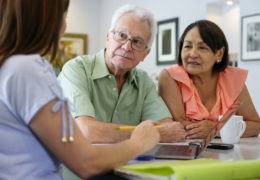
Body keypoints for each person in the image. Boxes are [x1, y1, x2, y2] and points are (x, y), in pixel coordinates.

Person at [0, 1, 160, 179]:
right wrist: (138, 142)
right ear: (47, 20)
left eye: (137, 41)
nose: (65, 24)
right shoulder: (26, 70)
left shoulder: (16, 66)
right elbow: (87, 162)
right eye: (64, 14)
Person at [58, 4, 185, 143]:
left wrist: (158, 132)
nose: (126, 47)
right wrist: (153, 134)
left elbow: (169, 128)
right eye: (121, 35)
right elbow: (86, 131)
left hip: (129, 163)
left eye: (137, 41)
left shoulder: (144, 82)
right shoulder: (77, 69)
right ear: (108, 38)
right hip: (79, 163)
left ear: (145, 54)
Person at [159, 20, 260, 139]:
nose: (193, 54)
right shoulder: (170, 76)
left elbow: (256, 125)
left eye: (202, 48)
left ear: (219, 54)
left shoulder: (233, 78)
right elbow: (180, 127)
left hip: (228, 154)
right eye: (187, 46)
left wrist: (216, 129)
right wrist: (226, 129)